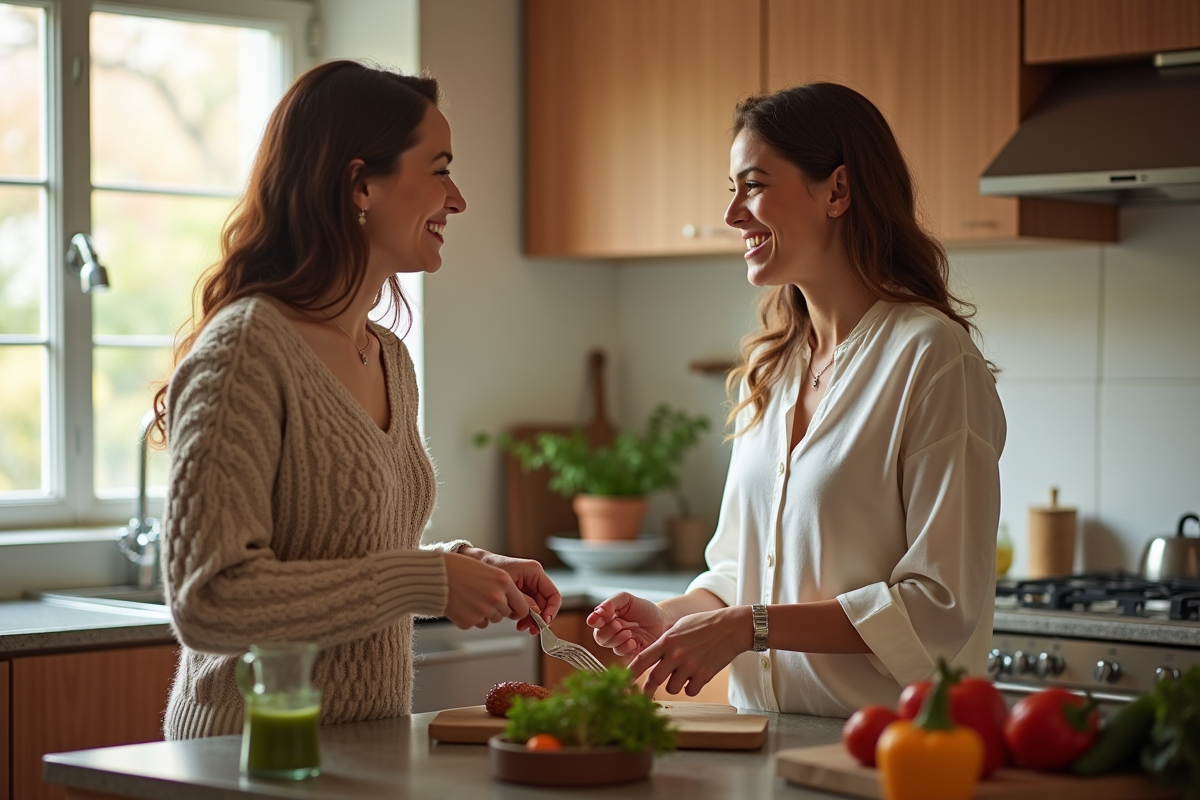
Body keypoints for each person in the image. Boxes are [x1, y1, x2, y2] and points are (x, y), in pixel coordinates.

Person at [153, 60, 561, 740]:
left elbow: (352, 545)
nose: (457, 199)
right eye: (439, 169)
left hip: (363, 751)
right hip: (245, 759)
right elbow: (211, 602)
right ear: (360, 184)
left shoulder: (389, 357)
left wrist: (468, 568)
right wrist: (427, 580)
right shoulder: (245, 352)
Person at [587, 83, 1006, 717]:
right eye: (731, 189)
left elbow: (939, 603)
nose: (733, 215)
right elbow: (737, 572)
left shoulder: (931, 357)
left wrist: (750, 626)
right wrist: (670, 615)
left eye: (753, 185)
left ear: (837, 190)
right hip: (762, 746)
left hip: (894, 752)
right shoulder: (773, 367)